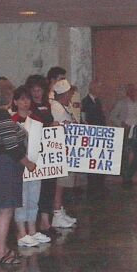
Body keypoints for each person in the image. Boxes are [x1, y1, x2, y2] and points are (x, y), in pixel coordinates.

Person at [0, 80, 36, 263]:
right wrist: (27, 163)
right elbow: (12, 146)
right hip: (4, 167)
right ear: (9, 98)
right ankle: (1, 251)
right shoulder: (2, 117)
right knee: (5, 210)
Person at [12, 86, 50, 247]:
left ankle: (32, 230)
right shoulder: (12, 121)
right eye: (21, 99)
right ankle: (21, 232)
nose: (25, 102)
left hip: (35, 165)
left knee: (33, 198)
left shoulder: (37, 120)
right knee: (21, 199)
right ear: (15, 102)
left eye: (27, 99)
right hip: (19, 165)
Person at [27, 74, 58, 232]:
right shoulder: (29, 107)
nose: (36, 93)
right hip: (36, 151)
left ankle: (46, 219)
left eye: (39, 90)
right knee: (36, 188)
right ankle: (37, 220)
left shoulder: (46, 104)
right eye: (34, 90)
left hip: (49, 153)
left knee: (49, 186)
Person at [49, 79, 78, 228]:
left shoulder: (64, 107)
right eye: (69, 93)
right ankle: (56, 212)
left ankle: (59, 209)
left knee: (64, 183)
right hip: (60, 150)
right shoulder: (56, 108)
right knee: (60, 184)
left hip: (67, 149)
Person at [111, 83, 137, 186]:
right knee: (125, 155)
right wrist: (121, 123)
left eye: (134, 90)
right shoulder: (121, 103)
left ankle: (129, 175)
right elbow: (112, 116)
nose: (133, 92)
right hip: (126, 130)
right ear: (127, 92)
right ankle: (126, 178)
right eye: (130, 90)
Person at [81, 79, 108, 198]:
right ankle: (93, 187)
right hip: (92, 134)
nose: (100, 90)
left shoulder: (98, 101)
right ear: (92, 88)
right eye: (98, 87)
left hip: (100, 133)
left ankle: (100, 185)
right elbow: (85, 118)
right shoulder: (86, 102)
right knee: (92, 162)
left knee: (100, 161)